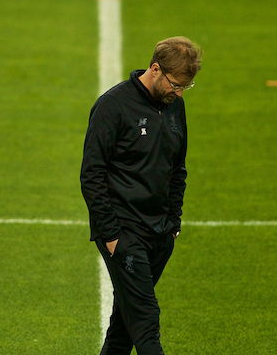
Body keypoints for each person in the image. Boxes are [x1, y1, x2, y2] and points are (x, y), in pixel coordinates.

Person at [80, 36, 202, 355]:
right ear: (155, 68)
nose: (178, 93)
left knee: (124, 328)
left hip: (160, 232)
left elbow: (178, 168)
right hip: (124, 231)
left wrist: (173, 222)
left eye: (185, 88)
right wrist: (110, 234)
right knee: (147, 323)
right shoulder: (113, 106)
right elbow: (91, 173)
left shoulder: (175, 107)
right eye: (175, 85)